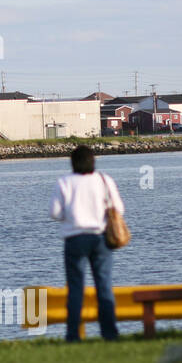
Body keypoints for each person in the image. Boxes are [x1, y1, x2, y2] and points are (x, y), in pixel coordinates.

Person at [49, 146, 123, 342]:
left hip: (74, 239)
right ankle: (110, 333)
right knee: (104, 285)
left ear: (72, 162)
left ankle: (73, 335)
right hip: (101, 238)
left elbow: (55, 213)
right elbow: (119, 209)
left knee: (75, 288)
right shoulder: (104, 180)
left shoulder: (64, 182)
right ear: (93, 161)